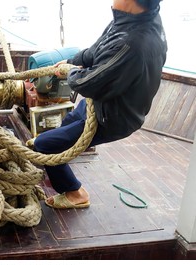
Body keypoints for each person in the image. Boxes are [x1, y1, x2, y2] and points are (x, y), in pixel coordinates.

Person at [33, 0, 167, 209]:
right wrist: (75, 60)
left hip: (112, 117)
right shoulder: (134, 19)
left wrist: (71, 71)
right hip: (102, 103)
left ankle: (75, 193)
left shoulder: (132, 44)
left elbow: (86, 83)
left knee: (44, 145)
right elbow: (99, 49)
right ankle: (59, 156)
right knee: (68, 123)